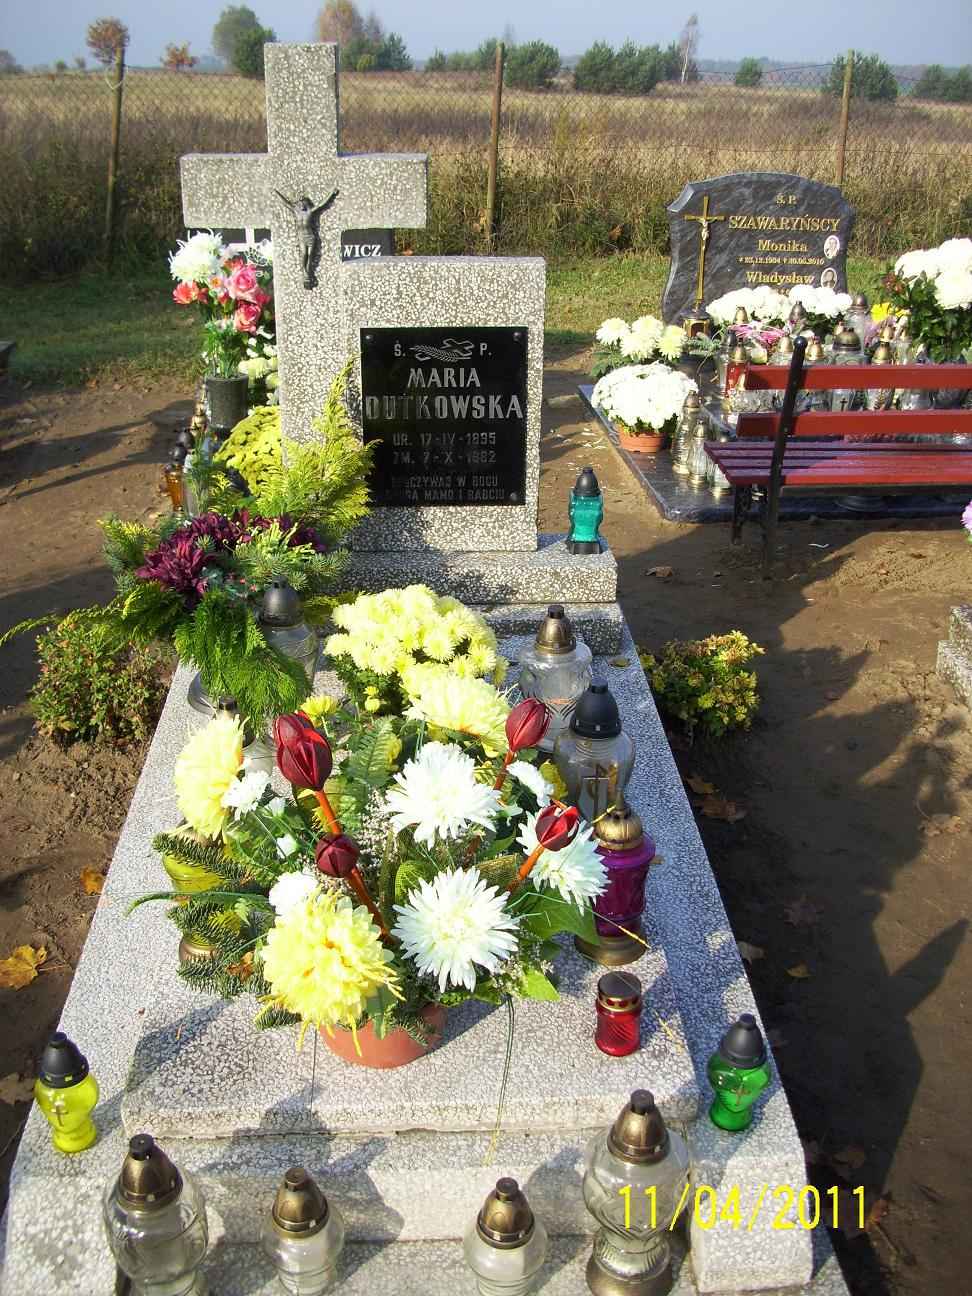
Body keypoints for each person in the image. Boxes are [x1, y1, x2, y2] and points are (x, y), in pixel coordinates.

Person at [274, 189, 339, 288]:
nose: (302, 205)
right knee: (304, 254)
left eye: (304, 203)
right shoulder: (296, 211)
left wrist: (331, 194)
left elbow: (322, 204)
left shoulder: (310, 212)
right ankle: (306, 274)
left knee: (310, 255)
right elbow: (285, 203)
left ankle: (307, 275)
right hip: (302, 237)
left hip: (310, 237)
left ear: (306, 204)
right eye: (300, 203)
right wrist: (276, 193)